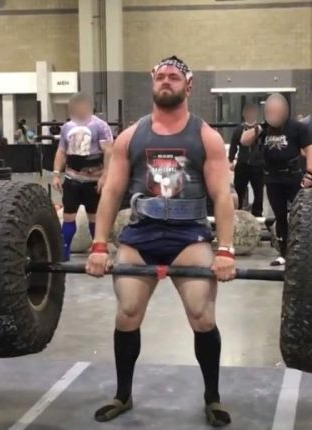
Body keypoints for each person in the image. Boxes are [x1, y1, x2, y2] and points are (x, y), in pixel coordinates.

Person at [85, 56, 236, 426]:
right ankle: (123, 395)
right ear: (153, 82)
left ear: (189, 85)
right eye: (161, 76)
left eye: (174, 77)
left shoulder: (206, 136)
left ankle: (212, 397)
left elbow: (222, 196)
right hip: (142, 233)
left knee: (202, 317)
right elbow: (111, 193)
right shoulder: (131, 136)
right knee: (127, 314)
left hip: (189, 235)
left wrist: (226, 251)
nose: (166, 81)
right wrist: (100, 245)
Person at [240, 94, 312, 266]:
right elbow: (243, 141)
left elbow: (311, 151)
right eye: (270, 110)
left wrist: (309, 174)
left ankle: (307, 252)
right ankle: (284, 253)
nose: (273, 113)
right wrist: (259, 128)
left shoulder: (297, 128)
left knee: (302, 215)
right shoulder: (263, 128)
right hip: (273, 179)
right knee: (280, 217)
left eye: (276, 110)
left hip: (293, 176)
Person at [52, 92, 114, 261]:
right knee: (68, 216)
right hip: (72, 179)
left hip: (93, 181)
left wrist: (105, 176)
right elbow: (61, 151)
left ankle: (99, 253)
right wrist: (56, 174)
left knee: (94, 217)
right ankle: (62, 254)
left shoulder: (100, 126)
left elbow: (109, 151)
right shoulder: (67, 127)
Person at [228, 103, 264, 216]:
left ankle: (257, 215)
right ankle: (236, 213)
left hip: (258, 165)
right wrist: (230, 160)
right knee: (239, 190)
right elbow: (233, 146)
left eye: (252, 112)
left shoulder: (261, 130)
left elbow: (265, 146)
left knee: (258, 192)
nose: (250, 114)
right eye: (248, 112)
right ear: (244, 114)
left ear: (256, 114)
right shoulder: (239, 130)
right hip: (242, 164)